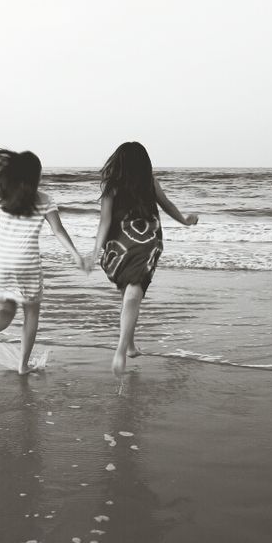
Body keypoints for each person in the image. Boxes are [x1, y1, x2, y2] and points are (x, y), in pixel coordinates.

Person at [0, 149, 85, 375]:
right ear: (35, 176)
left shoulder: (1, 197)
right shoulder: (45, 199)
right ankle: (23, 365)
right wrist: (75, 255)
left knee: (7, 308)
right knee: (31, 313)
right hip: (26, 262)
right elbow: (58, 230)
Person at [86, 141, 199, 376]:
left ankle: (129, 345)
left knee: (129, 294)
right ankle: (121, 349)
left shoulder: (111, 186)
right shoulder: (150, 182)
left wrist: (96, 250)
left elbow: (104, 221)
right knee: (134, 293)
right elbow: (167, 206)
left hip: (119, 244)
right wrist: (185, 221)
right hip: (146, 242)